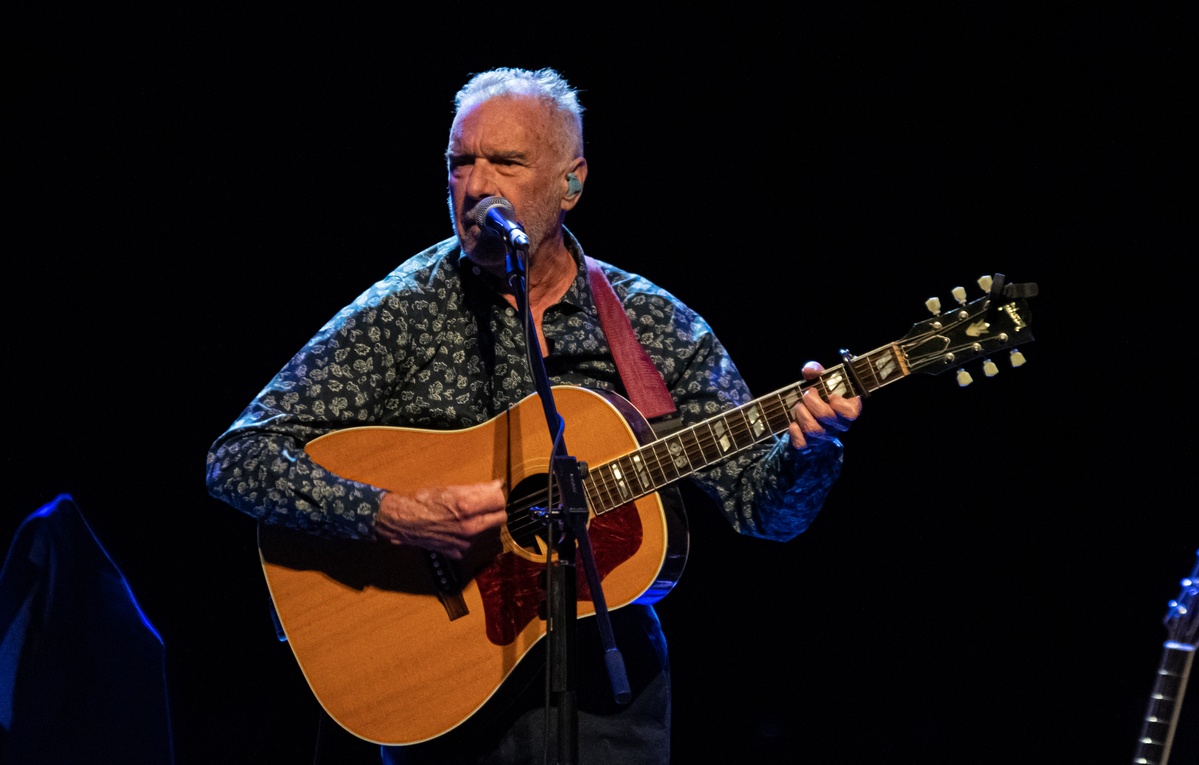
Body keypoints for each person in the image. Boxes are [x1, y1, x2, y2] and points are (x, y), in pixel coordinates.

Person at [205, 66, 861, 765]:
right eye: (461, 163)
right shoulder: (407, 307)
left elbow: (765, 510)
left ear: (570, 182)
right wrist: (387, 511)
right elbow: (239, 458)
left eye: (507, 163)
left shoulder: (650, 324)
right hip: (437, 683)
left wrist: (809, 447)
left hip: (603, 692)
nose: (478, 186)